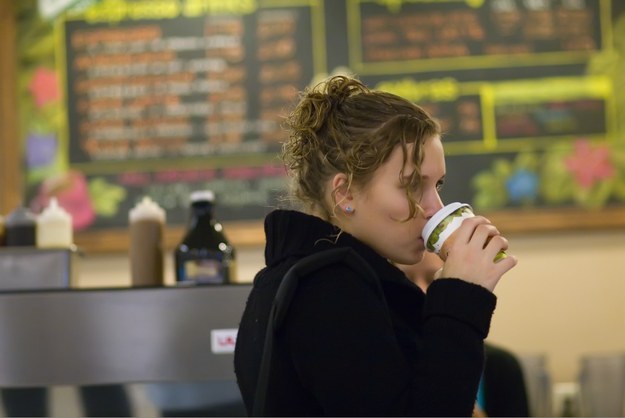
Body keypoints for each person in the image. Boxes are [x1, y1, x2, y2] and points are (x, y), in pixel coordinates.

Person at [234, 75, 518, 416]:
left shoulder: (297, 277)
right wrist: (460, 297)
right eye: (412, 185)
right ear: (345, 194)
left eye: (437, 184)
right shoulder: (327, 290)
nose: (435, 208)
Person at [398, 251, 530, 417]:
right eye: (406, 281)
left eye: (433, 281)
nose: (421, 291)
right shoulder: (384, 361)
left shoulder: (501, 365)